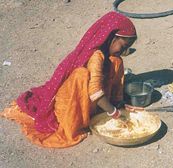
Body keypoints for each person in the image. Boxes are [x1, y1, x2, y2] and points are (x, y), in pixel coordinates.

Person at [0, 11, 138, 148]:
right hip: (70, 104)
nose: (125, 52)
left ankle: (98, 110)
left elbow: (113, 85)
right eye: (123, 46)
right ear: (111, 38)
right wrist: (114, 112)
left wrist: (119, 104)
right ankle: (75, 121)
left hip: (90, 100)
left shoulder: (114, 59)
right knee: (81, 75)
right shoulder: (96, 56)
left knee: (117, 62)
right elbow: (95, 92)